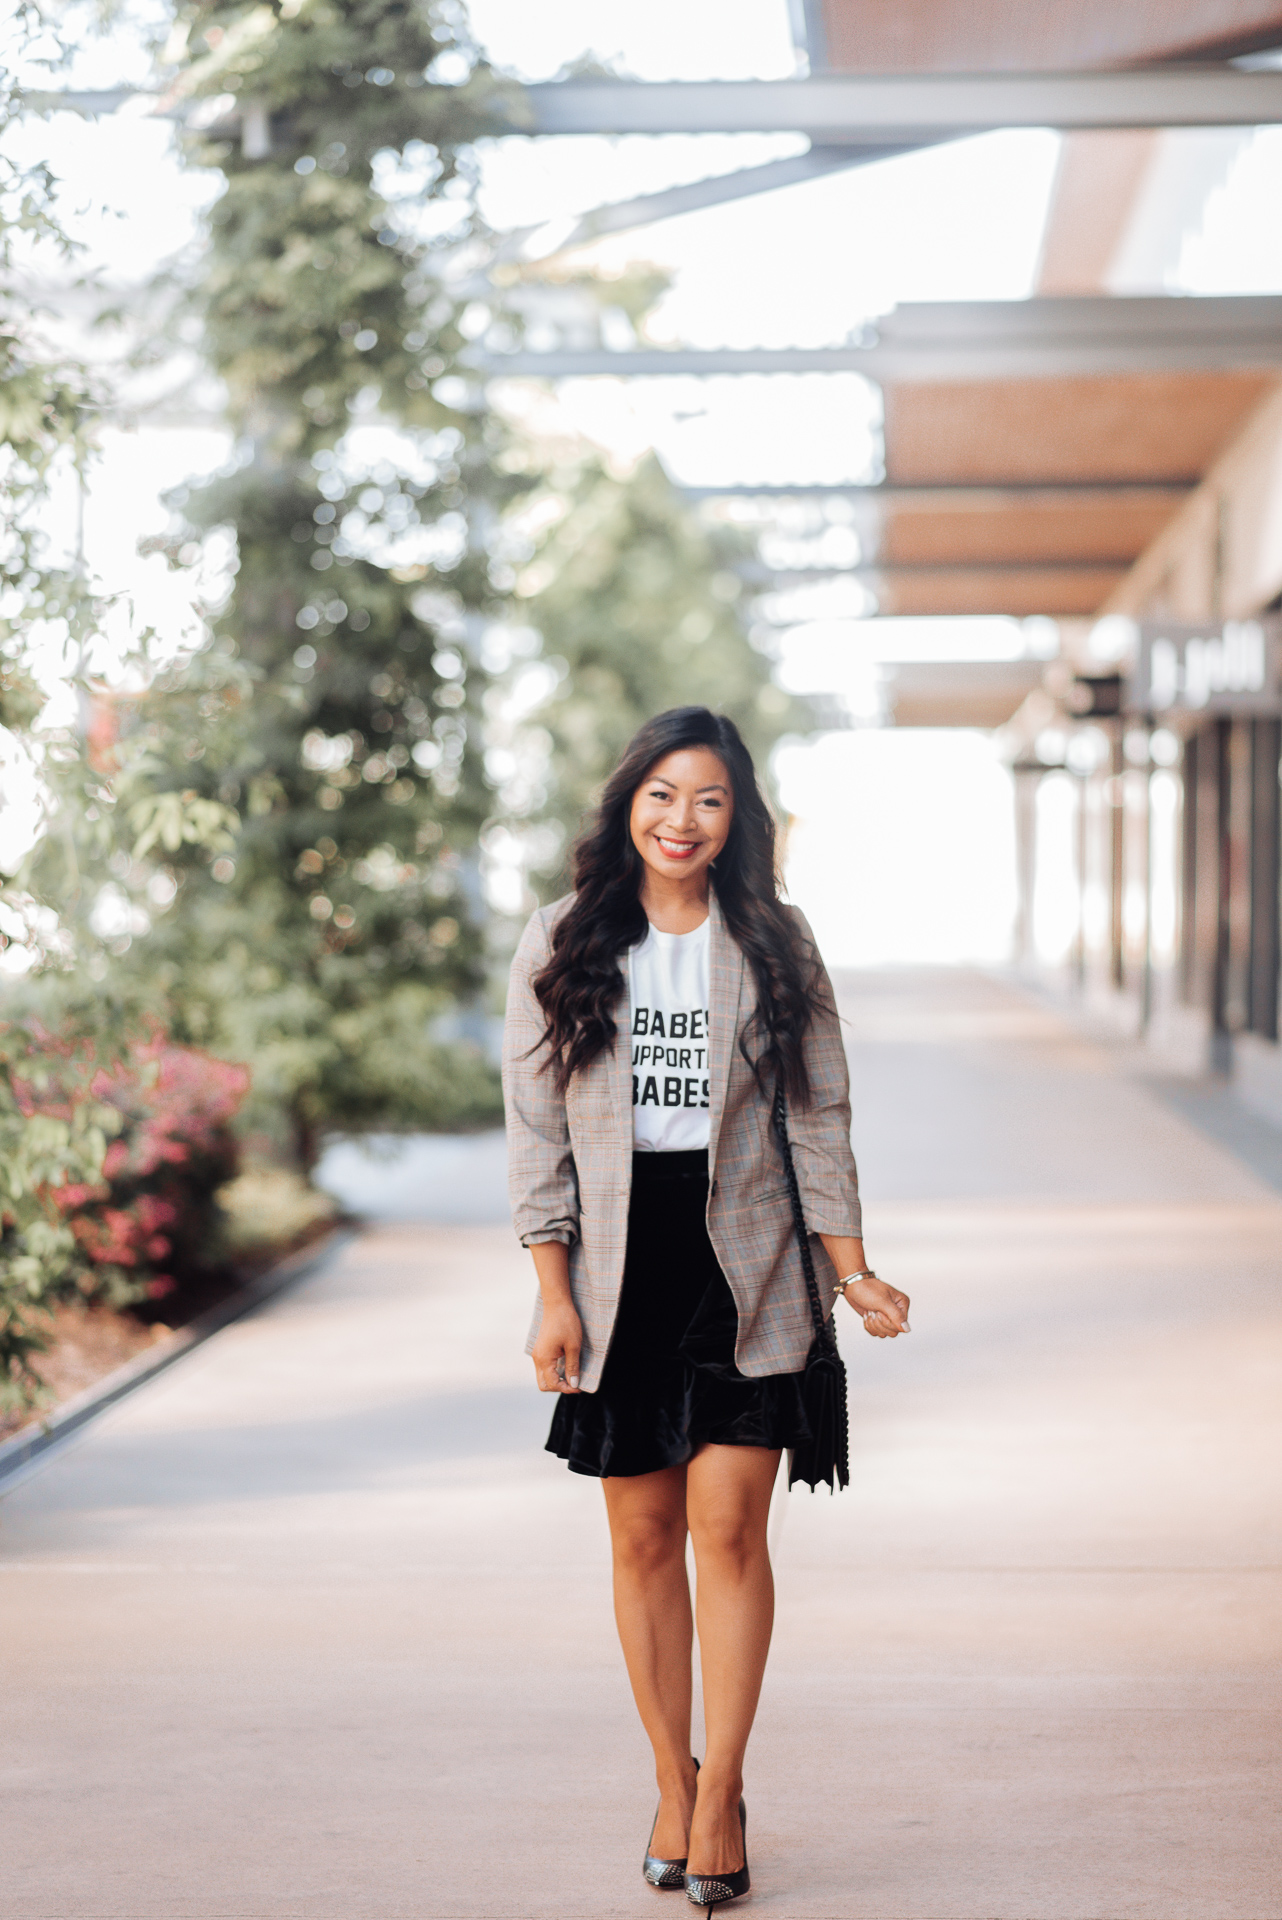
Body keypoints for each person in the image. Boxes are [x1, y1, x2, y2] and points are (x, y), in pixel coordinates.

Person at [502, 706, 909, 1908]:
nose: (682, 820)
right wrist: (550, 1291)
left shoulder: (775, 942)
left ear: (738, 819)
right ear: (628, 802)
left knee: (728, 1531)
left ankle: (721, 1788)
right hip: (623, 1271)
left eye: (709, 800)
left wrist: (851, 1269)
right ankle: (668, 1782)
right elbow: (538, 1135)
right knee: (640, 1540)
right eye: (662, 795)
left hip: (751, 1263)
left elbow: (816, 1115)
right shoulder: (565, 937)